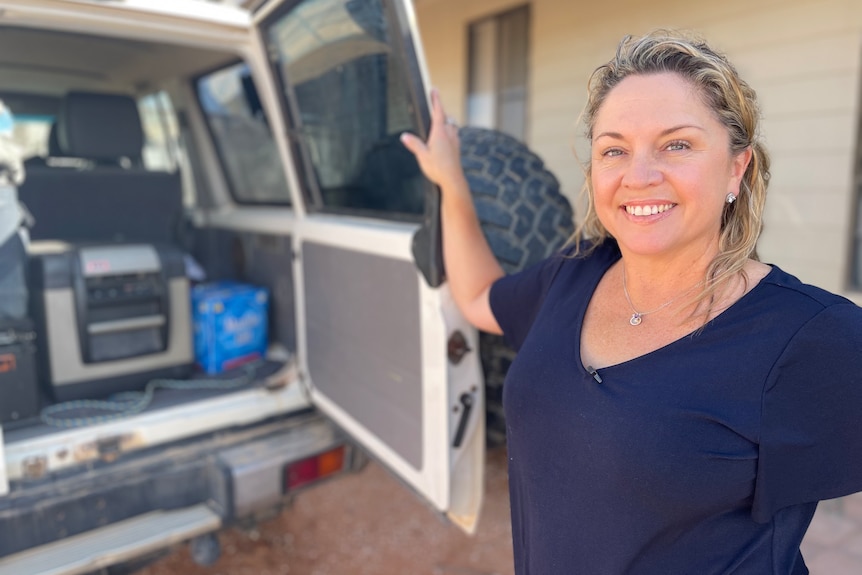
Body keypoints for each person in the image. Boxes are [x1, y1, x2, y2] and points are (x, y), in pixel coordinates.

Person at [401, 30, 862, 574]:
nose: (638, 177)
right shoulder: (573, 275)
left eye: (677, 144)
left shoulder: (811, 336)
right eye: (614, 149)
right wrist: (451, 183)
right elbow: (479, 297)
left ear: (737, 167)